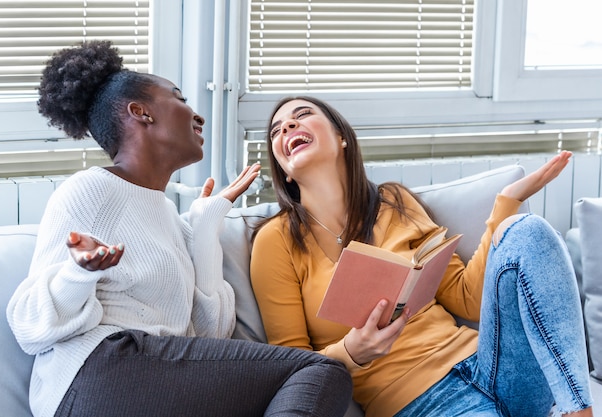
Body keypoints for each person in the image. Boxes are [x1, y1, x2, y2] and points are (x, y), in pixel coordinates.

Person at [6, 43, 353, 417]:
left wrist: (205, 224)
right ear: (141, 113)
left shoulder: (170, 216)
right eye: (180, 98)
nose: (197, 115)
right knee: (320, 370)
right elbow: (29, 325)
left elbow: (209, 336)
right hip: (96, 374)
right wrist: (78, 272)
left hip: (149, 380)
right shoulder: (94, 189)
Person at [250, 95, 595, 417]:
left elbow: (468, 299)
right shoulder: (275, 241)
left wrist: (505, 203)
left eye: (302, 116)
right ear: (284, 170)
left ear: (341, 137)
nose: (287, 128)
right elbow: (293, 365)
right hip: (422, 401)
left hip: (492, 362)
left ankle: (579, 408)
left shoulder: (392, 202)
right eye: (277, 131)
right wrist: (353, 351)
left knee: (526, 230)